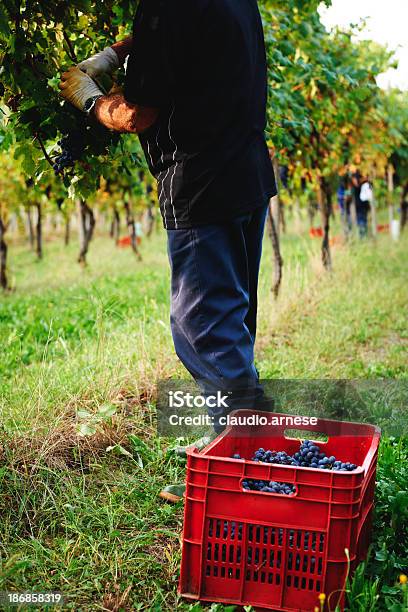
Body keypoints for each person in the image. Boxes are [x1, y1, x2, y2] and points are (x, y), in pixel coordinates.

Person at [59, 0, 276, 500]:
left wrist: (90, 99)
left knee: (204, 328)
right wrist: (116, 52)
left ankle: (249, 470)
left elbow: (138, 113)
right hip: (245, 175)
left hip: (201, 184)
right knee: (231, 322)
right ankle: (238, 450)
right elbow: (189, 46)